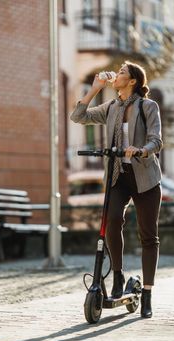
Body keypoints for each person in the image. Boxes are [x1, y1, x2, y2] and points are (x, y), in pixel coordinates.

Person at [70, 61, 163, 318]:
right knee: (111, 221)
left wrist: (141, 149)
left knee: (148, 236)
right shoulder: (111, 107)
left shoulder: (147, 106)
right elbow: (78, 116)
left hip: (144, 177)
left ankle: (147, 293)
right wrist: (95, 88)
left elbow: (157, 140)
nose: (117, 74)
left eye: (122, 72)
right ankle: (118, 276)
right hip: (117, 176)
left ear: (132, 81)